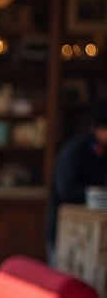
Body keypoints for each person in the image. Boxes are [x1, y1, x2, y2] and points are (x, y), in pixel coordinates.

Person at [46, 102, 107, 261]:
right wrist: (93, 191)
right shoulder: (76, 150)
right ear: (100, 128)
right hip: (67, 229)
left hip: (92, 232)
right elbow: (65, 189)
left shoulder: (101, 151)